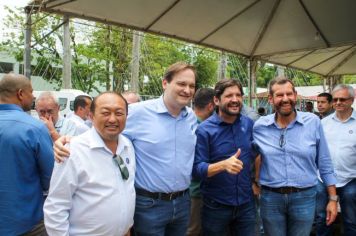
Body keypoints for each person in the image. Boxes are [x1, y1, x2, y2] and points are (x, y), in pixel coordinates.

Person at [53, 62, 198, 236]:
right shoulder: (137, 112)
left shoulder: (191, 117)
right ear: (165, 83)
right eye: (181, 84)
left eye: (192, 86)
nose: (187, 90)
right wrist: (68, 141)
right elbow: (104, 128)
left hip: (183, 202)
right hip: (150, 205)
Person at [253, 76, 338, 236]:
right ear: (271, 99)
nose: (285, 99)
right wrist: (254, 182)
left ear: (295, 95)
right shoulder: (260, 126)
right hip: (271, 198)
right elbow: (251, 156)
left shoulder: (312, 122)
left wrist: (333, 199)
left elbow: (324, 162)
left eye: (289, 94)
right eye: (279, 95)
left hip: (304, 196)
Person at [44, 92, 135, 236]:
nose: (112, 119)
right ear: (91, 116)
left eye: (119, 113)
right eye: (105, 113)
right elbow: (56, 206)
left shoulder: (127, 146)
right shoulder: (72, 151)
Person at [193, 79, 256, 236]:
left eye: (238, 95)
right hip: (216, 206)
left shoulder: (249, 124)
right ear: (216, 100)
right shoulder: (204, 130)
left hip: (246, 204)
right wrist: (222, 165)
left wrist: (257, 182)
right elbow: (196, 169)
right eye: (229, 96)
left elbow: (257, 154)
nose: (235, 100)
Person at [0, 73, 54, 236]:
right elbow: (51, 178)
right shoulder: (34, 128)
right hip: (25, 221)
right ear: (20, 94)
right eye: (31, 91)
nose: (33, 96)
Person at [322, 84, 356, 236]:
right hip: (323, 179)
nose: (338, 102)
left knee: (351, 220)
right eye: (335, 99)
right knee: (323, 219)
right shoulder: (323, 123)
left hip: (350, 179)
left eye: (342, 99)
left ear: (352, 100)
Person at [187, 87, 215, 236]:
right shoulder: (200, 128)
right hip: (196, 191)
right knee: (193, 230)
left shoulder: (187, 123)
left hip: (191, 191)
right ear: (211, 106)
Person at [314, 92, 335, 236]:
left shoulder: (335, 121)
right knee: (321, 214)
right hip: (321, 174)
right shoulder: (317, 121)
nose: (319, 105)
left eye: (323, 102)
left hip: (344, 173)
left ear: (331, 103)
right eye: (318, 102)